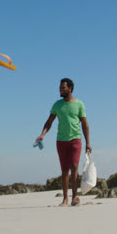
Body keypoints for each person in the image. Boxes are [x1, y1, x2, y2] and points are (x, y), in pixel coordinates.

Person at [35, 78, 92, 206]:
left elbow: (85, 124)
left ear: (70, 88)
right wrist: (42, 134)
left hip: (75, 139)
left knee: (74, 166)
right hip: (61, 141)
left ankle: (75, 197)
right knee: (65, 170)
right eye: (60, 87)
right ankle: (65, 199)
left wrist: (88, 142)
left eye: (63, 87)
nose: (60, 90)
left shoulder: (79, 104)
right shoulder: (57, 105)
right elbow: (49, 122)